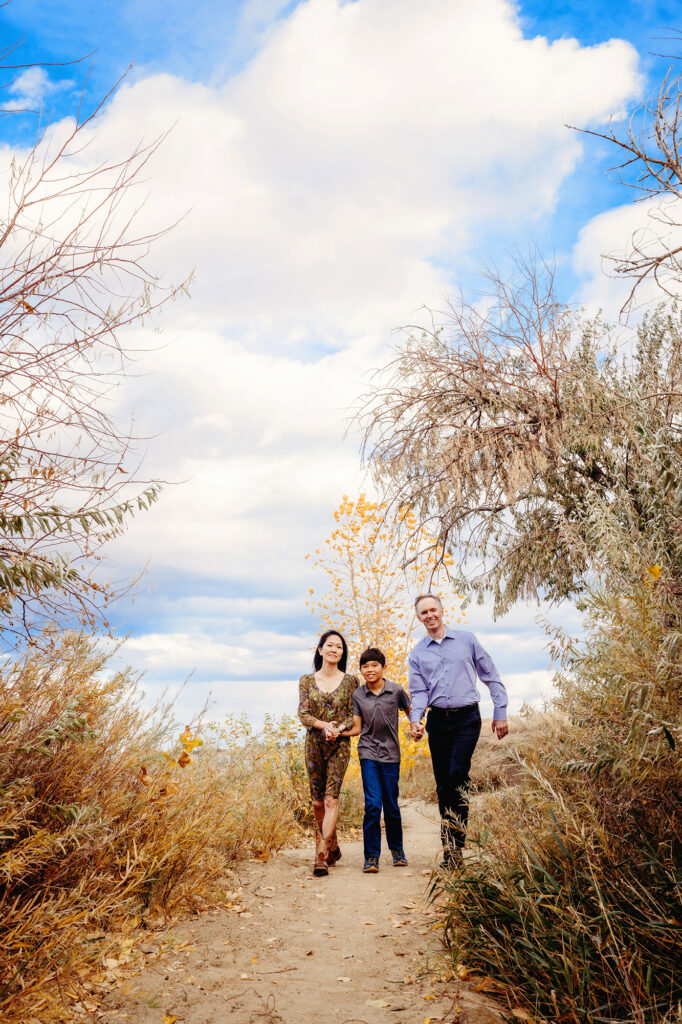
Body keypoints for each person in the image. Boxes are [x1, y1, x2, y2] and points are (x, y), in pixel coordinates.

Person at [408, 594, 508, 867]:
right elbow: (418, 692)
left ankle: (457, 843)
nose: (430, 615)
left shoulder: (467, 640)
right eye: (424, 613)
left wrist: (500, 712)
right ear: (419, 618)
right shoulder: (417, 653)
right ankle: (451, 849)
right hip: (438, 721)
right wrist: (415, 720)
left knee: (456, 775)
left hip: (467, 719)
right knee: (444, 786)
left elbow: (491, 675)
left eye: (433, 610)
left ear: (442, 611)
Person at [345, 647, 411, 873]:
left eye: (374, 665)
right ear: (361, 670)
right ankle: (371, 857)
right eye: (365, 666)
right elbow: (356, 728)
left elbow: (411, 709)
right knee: (373, 804)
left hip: (391, 754)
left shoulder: (396, 690)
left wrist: (416, 725)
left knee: (391, 805)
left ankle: (397, 852)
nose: (370, 670)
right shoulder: (358, 695)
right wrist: (337, 733)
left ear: (384, 668)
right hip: (368, 753)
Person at [298, 630, 358, 876]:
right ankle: (332, 844)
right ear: (320, 650)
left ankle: (320, 853)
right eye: (330, 645)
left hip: (339, 746)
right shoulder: (306, 680)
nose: (335, 649)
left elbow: (352, 714)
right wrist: (324, 726)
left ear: (342, 653)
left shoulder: (351, 681)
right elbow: (303, 714)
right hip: (314, 743)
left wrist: (338, 729)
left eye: (339, 647)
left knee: (331, 798)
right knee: (317, 802)